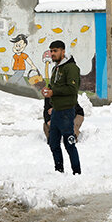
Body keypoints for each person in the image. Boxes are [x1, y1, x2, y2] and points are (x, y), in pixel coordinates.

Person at [41, 40, 81, 174]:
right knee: (53, 144)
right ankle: (59, 171)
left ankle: (77, 173)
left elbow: (72, 88)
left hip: (67, 111)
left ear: (63, 52)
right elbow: (53, 86)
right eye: (51, 51)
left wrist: (54, 92)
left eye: (55, 51)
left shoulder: (71, 68)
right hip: (56, 111)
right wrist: (47, 90)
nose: (52, 53)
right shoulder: (56, 68)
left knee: (69, 144)